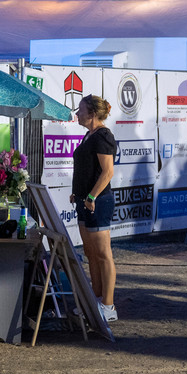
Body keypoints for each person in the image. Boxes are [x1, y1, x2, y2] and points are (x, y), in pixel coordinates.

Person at [70, 94, 119, 322]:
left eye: (80, 110)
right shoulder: (88, 136)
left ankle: (108, 307)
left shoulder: (103, 135)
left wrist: (91, 196)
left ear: (92, 113)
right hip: (83, 200)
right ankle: (96, 301)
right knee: (91, 254)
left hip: (98, 202)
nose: (76, 113)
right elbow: (85, 169)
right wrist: (78, 193)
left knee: (103, 254)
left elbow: (107, 171)